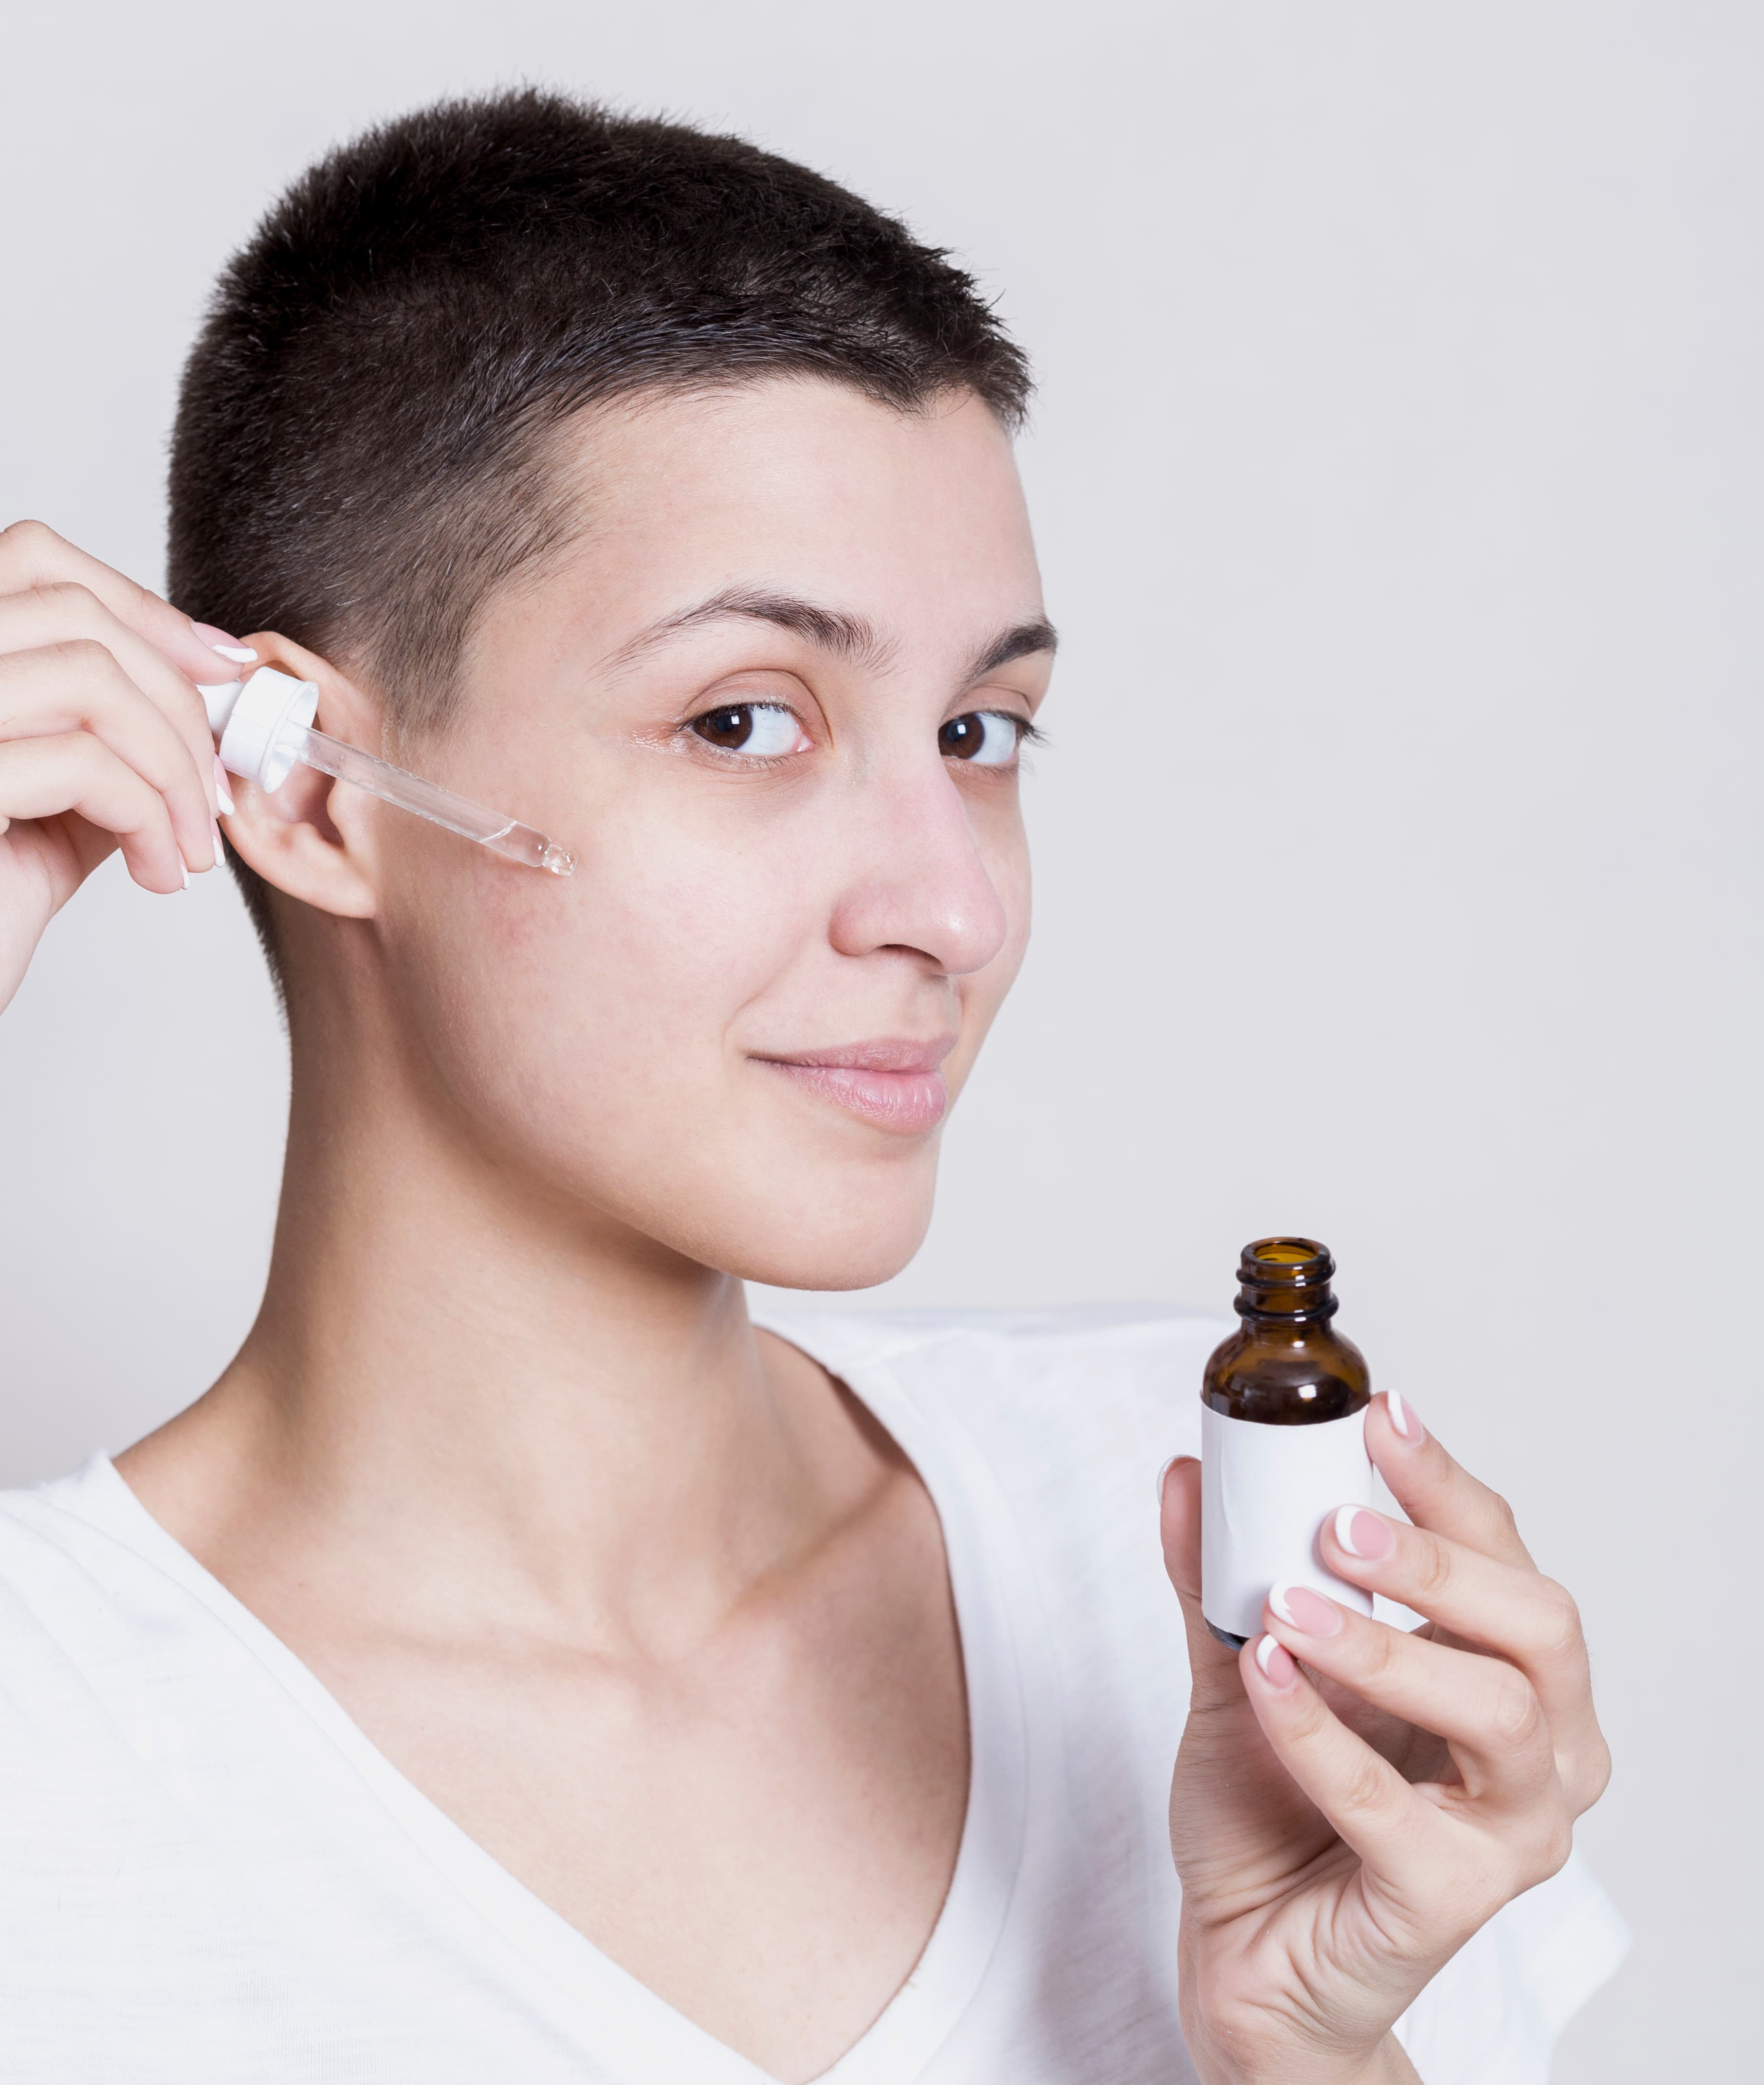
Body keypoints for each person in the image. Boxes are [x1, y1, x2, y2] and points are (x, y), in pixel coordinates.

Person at [0, 91, 1624, 2085]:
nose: (954, 907)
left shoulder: (1211, 1544)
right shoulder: (43, 1761)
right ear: (320, 794)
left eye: (980, 732)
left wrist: (1316, 2050)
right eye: (747, 721)